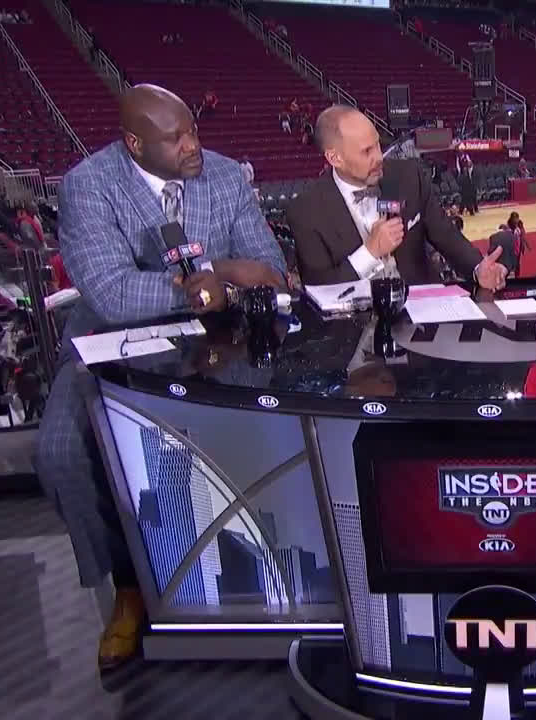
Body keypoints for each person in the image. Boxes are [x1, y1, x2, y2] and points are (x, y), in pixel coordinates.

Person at [34, 84, 287, 671]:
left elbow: (269, 268)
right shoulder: (88, 186)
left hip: (216, 342)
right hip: (110, 342)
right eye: (176, 139)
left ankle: (266, 570)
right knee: (60, 452)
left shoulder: (224, 176)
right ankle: (127, 585)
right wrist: (202, 286)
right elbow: (112, 293)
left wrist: (217, 275)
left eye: (193, 130)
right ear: (134, 144)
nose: (193, 145)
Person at [288, 106, 507, 288]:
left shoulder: (408, 176)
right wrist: (370, 252)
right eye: (366, 151)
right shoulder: (306, 211)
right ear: (335, 158)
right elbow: (320, 288)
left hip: (422, 310)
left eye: (378, 145)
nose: (378, 157)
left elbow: (446, 235)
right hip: (355, 321)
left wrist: (478, 268)